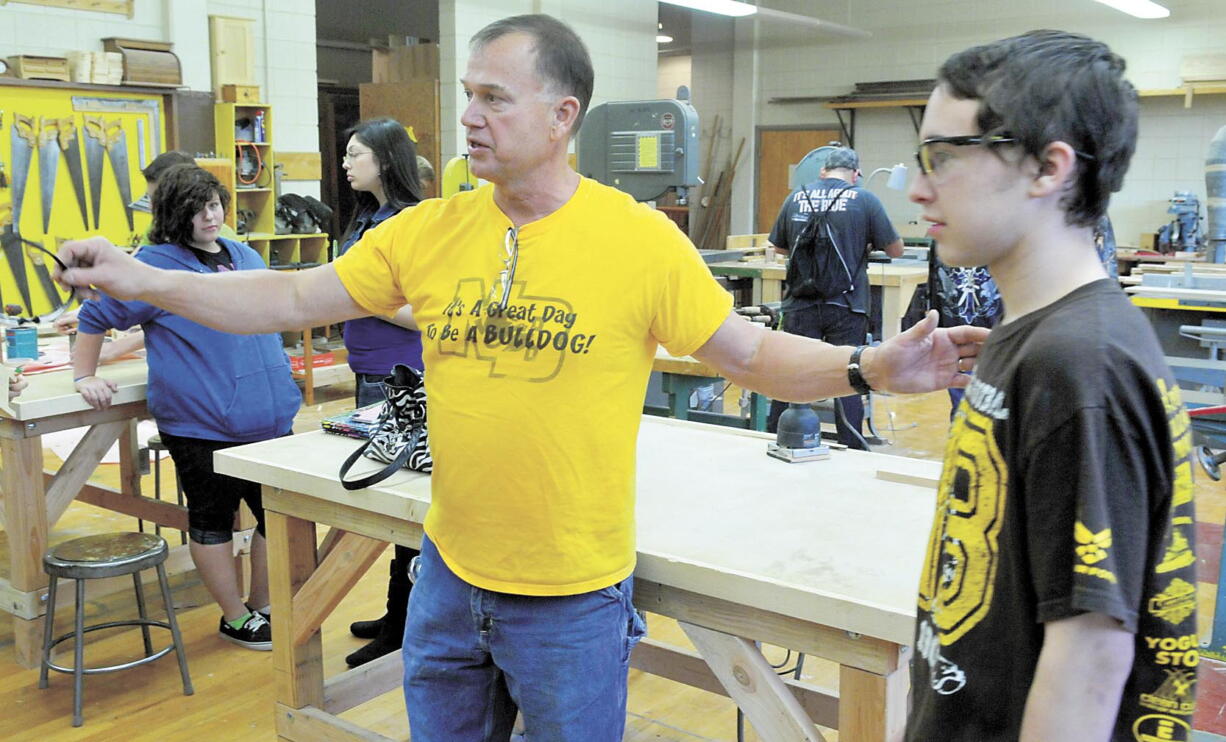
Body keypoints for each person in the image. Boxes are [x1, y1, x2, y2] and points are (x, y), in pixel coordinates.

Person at [55, 14, 987, 740]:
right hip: (449, 578)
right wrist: (144, 280)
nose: (469, 116)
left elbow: (746, 354)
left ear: (562, 116)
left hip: (573, 597)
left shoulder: (636, 239)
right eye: (468, 95)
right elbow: (290, 295)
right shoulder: (427, 231)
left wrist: (868, 366)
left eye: (495, 98)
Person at [906, 31, 1196, 741]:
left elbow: (1090, 656)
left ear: (1048, 168)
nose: (918, 187)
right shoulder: (1031, 333)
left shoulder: (1080, 367)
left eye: (943, 157)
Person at [71, 164, 302, 652]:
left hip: (270, 416)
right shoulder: (154, 267)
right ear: (176, 215)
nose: (210, 217)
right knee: (213, 519)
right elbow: (94, 315)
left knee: (271, 516)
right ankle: (236, 617)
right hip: (203, 424)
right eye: (198, 210)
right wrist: (85, 375)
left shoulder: (241, 254)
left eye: (215, 205)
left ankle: (263, 606)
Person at [334, 117, 425, 668]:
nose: (345, 164)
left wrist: (364, 300)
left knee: (400, 498)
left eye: (354, 155)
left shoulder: (409, 222)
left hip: (400, 373)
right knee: (388, 500)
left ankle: (403, 622)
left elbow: (427, 310)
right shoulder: (367, 217)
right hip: (370, 370)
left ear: (385, 160)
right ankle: (398, 614)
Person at [765, 146, 904, 448]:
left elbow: (778, 247)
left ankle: (776, 435)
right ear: (855, 175)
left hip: (800, 302)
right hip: (847, 303)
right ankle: (851, 443)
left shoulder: (796, 197)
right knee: (849, 373)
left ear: (822, 170)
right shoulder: (865, 199)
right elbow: (896, 250)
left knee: (790, 370)